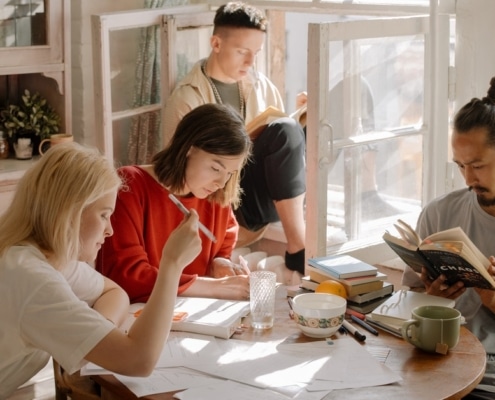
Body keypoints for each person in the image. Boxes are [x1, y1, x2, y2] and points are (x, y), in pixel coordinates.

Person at [0, 142, 202, 398]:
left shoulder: (40, 257)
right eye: (104, 215)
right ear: (69, 211)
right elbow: (138, 361)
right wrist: (172, 265)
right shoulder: (32, 279)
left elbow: (113, 291)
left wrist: (98, 331)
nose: (110, 230)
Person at [163, 1, 307, 274]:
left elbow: (280, 151)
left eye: (256, 52)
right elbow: (179, 177)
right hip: (226, 203)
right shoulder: (187, 98)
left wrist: (302, 116)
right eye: (242, 51)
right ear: (216, 43)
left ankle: (301, 231)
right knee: (286, 131)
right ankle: (299, 248)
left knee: (311, 118)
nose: (250, 62)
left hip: (266, 198)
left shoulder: (262, 85)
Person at [96, 103, 252, 303]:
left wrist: (219, 262)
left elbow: (225, 239)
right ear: (188, 148)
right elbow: (127, 277)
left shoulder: (214, 194)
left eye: (230, 173)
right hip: (140, 316)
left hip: (194, 315)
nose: (222, 182)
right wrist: (215, 287)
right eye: (215, 168)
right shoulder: (130, 185)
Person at [401, 77, 495, 399]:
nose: (469, 179)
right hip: (435, 365)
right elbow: (409, 300)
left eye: (478, 166)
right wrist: (431, 298)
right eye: (460, 166)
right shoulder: (439, 214)